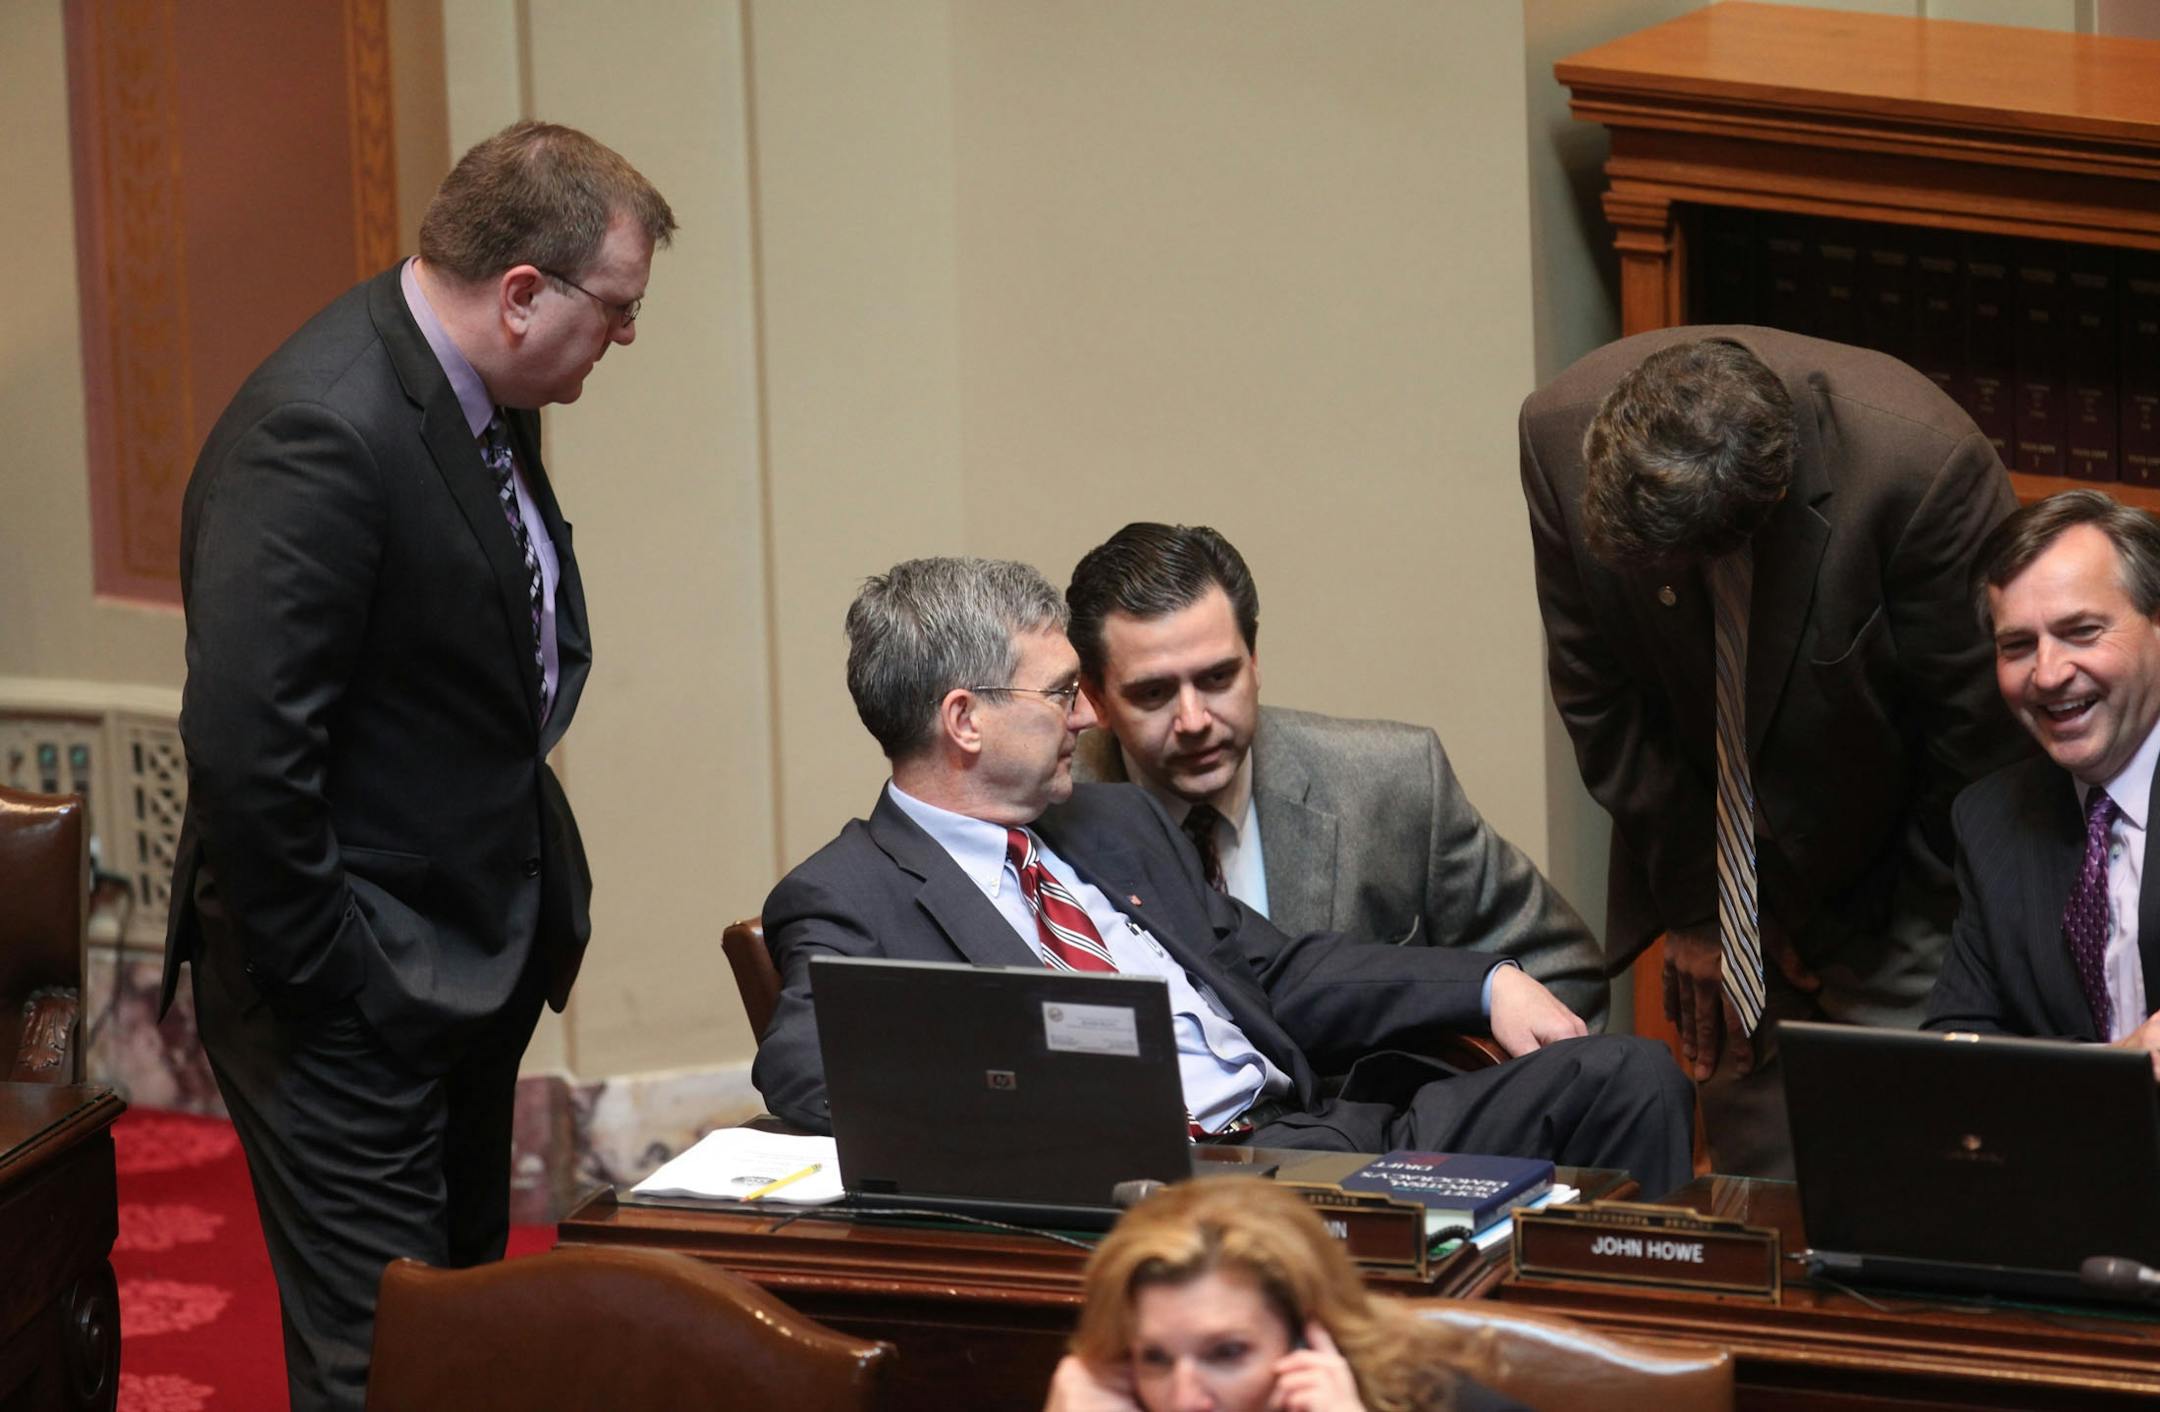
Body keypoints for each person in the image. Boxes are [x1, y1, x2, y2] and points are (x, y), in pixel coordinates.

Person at [160, 121, 674, 1410]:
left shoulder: (479, 391)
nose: (623, 338)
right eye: (614, 310)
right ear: (520, 295)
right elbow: (243, 749)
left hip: (461, 953)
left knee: (458, 1334)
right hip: (354, 989)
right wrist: (342, 975)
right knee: (382, 1363)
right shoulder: (320, 431)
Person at [750, 557, 1691, 1195]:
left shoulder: (1108, 822)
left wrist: (1486, 979)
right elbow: (802, 1070)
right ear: (965, 720)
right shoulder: (849, 892)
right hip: (1161, 1201)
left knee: (1627, 1076)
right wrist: (1042, 1092)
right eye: (1060, 692)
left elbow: (1275, 970)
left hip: (1311, 1141)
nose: (1086, 716)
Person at [1519, 328, 2026, 1177]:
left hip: (1908, 871)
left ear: (1776, 495)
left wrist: (1860, 930)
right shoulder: (1556, 436)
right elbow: (1598, 696)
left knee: (1923, 1169)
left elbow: (1977, 748)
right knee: (1764, 1191)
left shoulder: (1922, 468)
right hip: (1716, 865)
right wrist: (1700, 905)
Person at [1065, 522, 1608, 1026]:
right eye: (1154, 693)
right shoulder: (1052, 819)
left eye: (1217, 677)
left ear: (1254, 662)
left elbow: (1562, 970)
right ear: (1096, 700)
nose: (1194, 721)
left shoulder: (1393, 781)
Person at [1926, 490, 2160, 1074]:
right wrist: (2105, 1074)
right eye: (2018, 646)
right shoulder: (1991, 819)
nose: (2048, 674)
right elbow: (1957, 1049)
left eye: (2081, 631)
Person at [1044, 1176, 1525, 1412]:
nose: (1186, 1399)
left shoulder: (1447, 1401)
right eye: (1155, 1359)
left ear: (1307, 1334)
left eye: (1227, 1353)